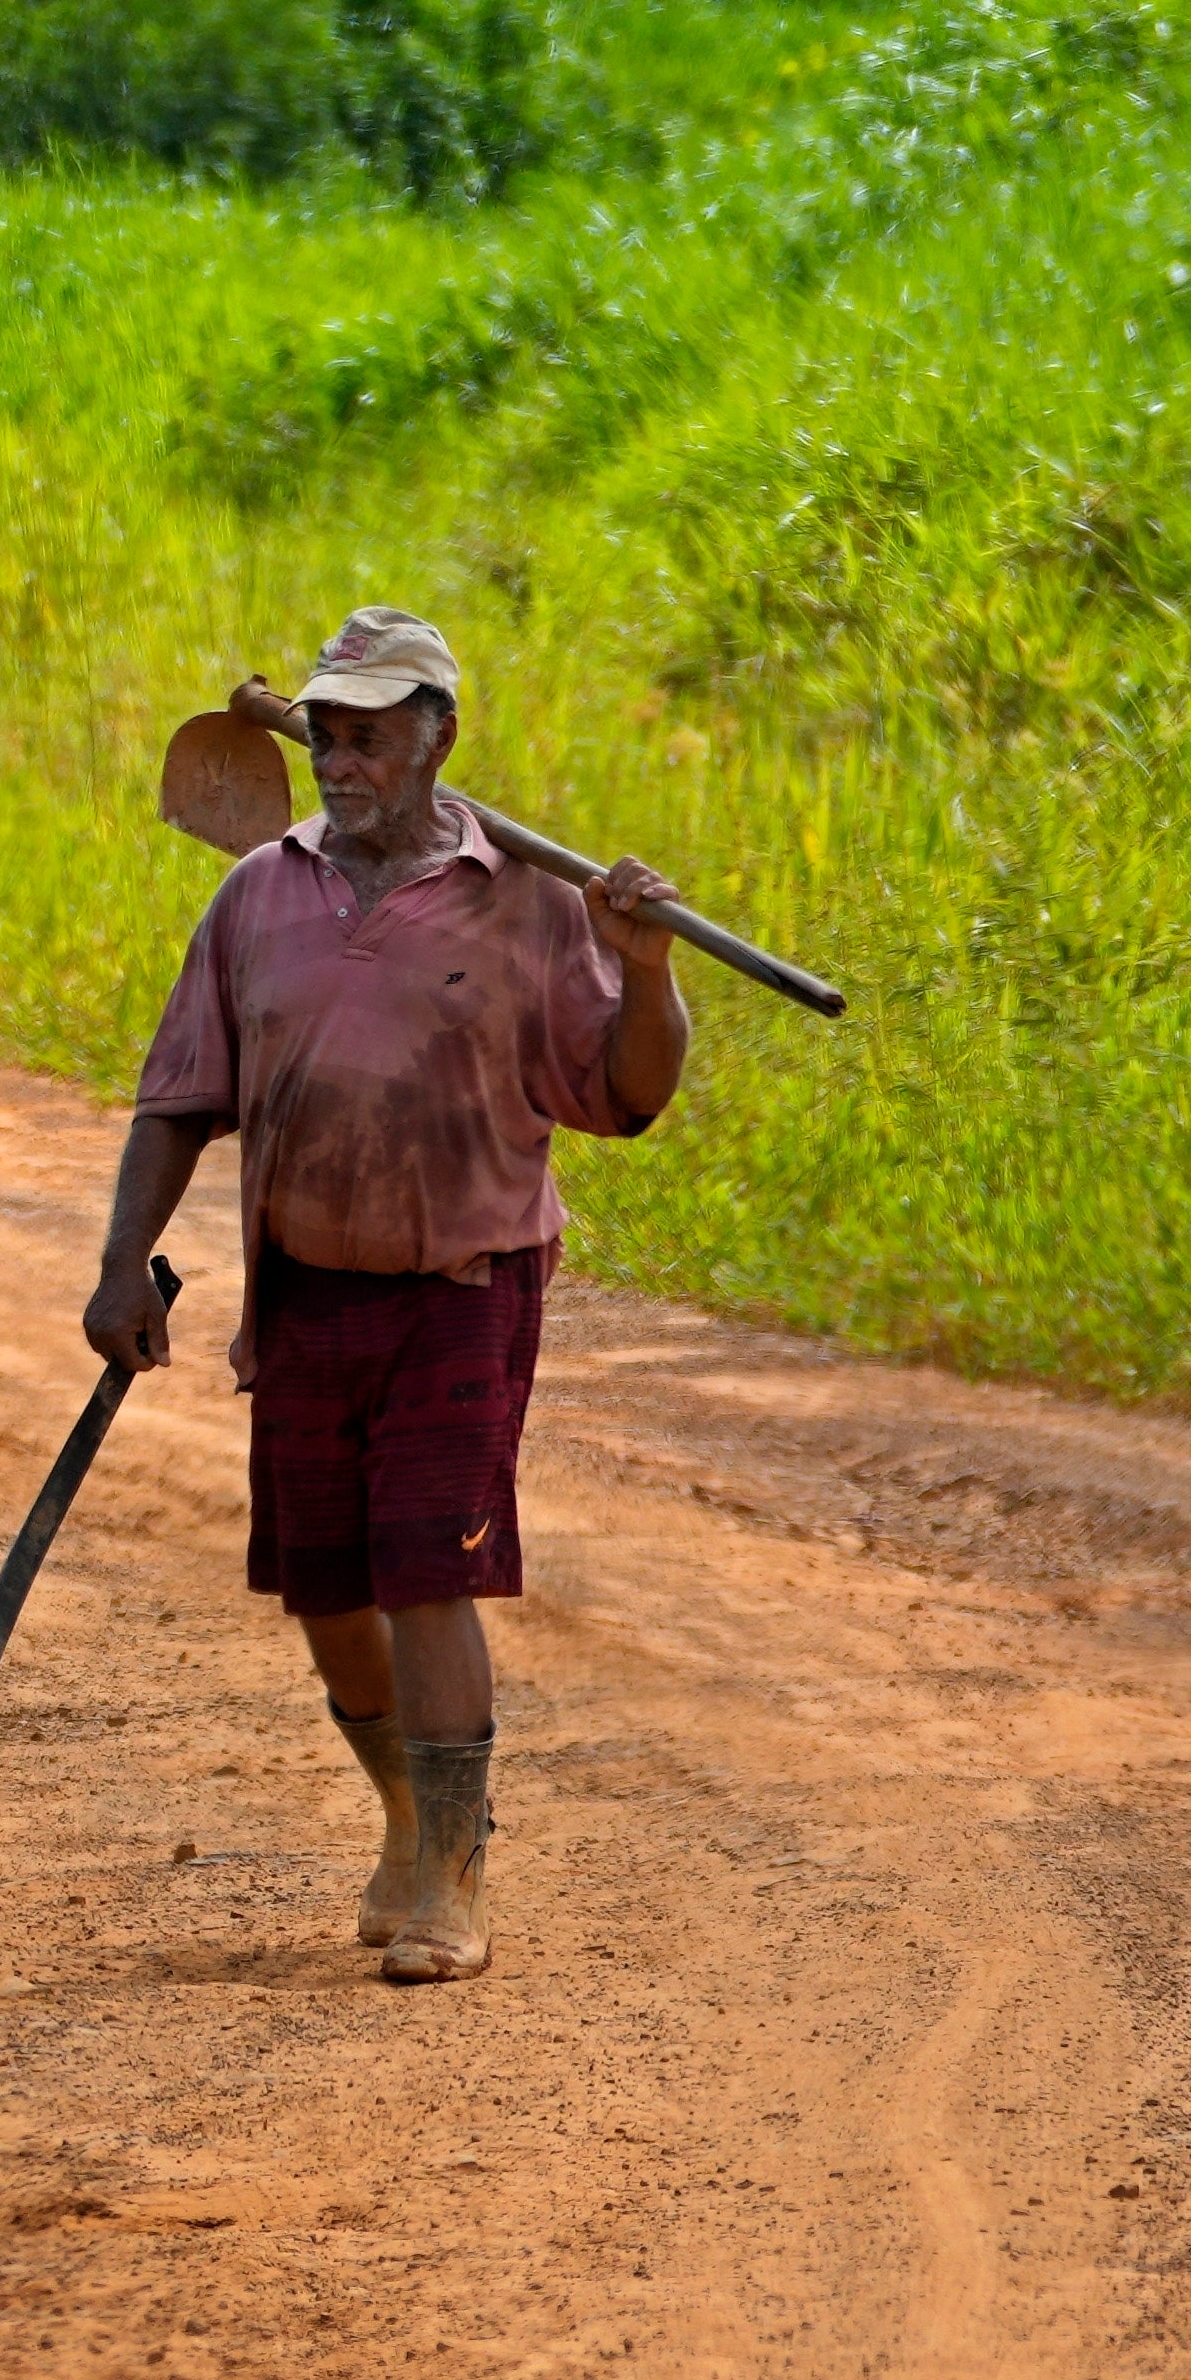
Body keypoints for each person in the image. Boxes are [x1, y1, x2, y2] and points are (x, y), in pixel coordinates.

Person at [77, 605, 695, 1984]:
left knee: (430, 1570)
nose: (341, 759)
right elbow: (181, 1098)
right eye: (330, 732)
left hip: (463, 1279)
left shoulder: (528, 904)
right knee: (324, 1587)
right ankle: (409, 1815)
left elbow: (630, 1096)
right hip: (306, 1284)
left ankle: (456, 1883)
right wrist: (125, 1264)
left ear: (438, 736)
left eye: (371, 734)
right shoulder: (258, 897)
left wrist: (643, 966)